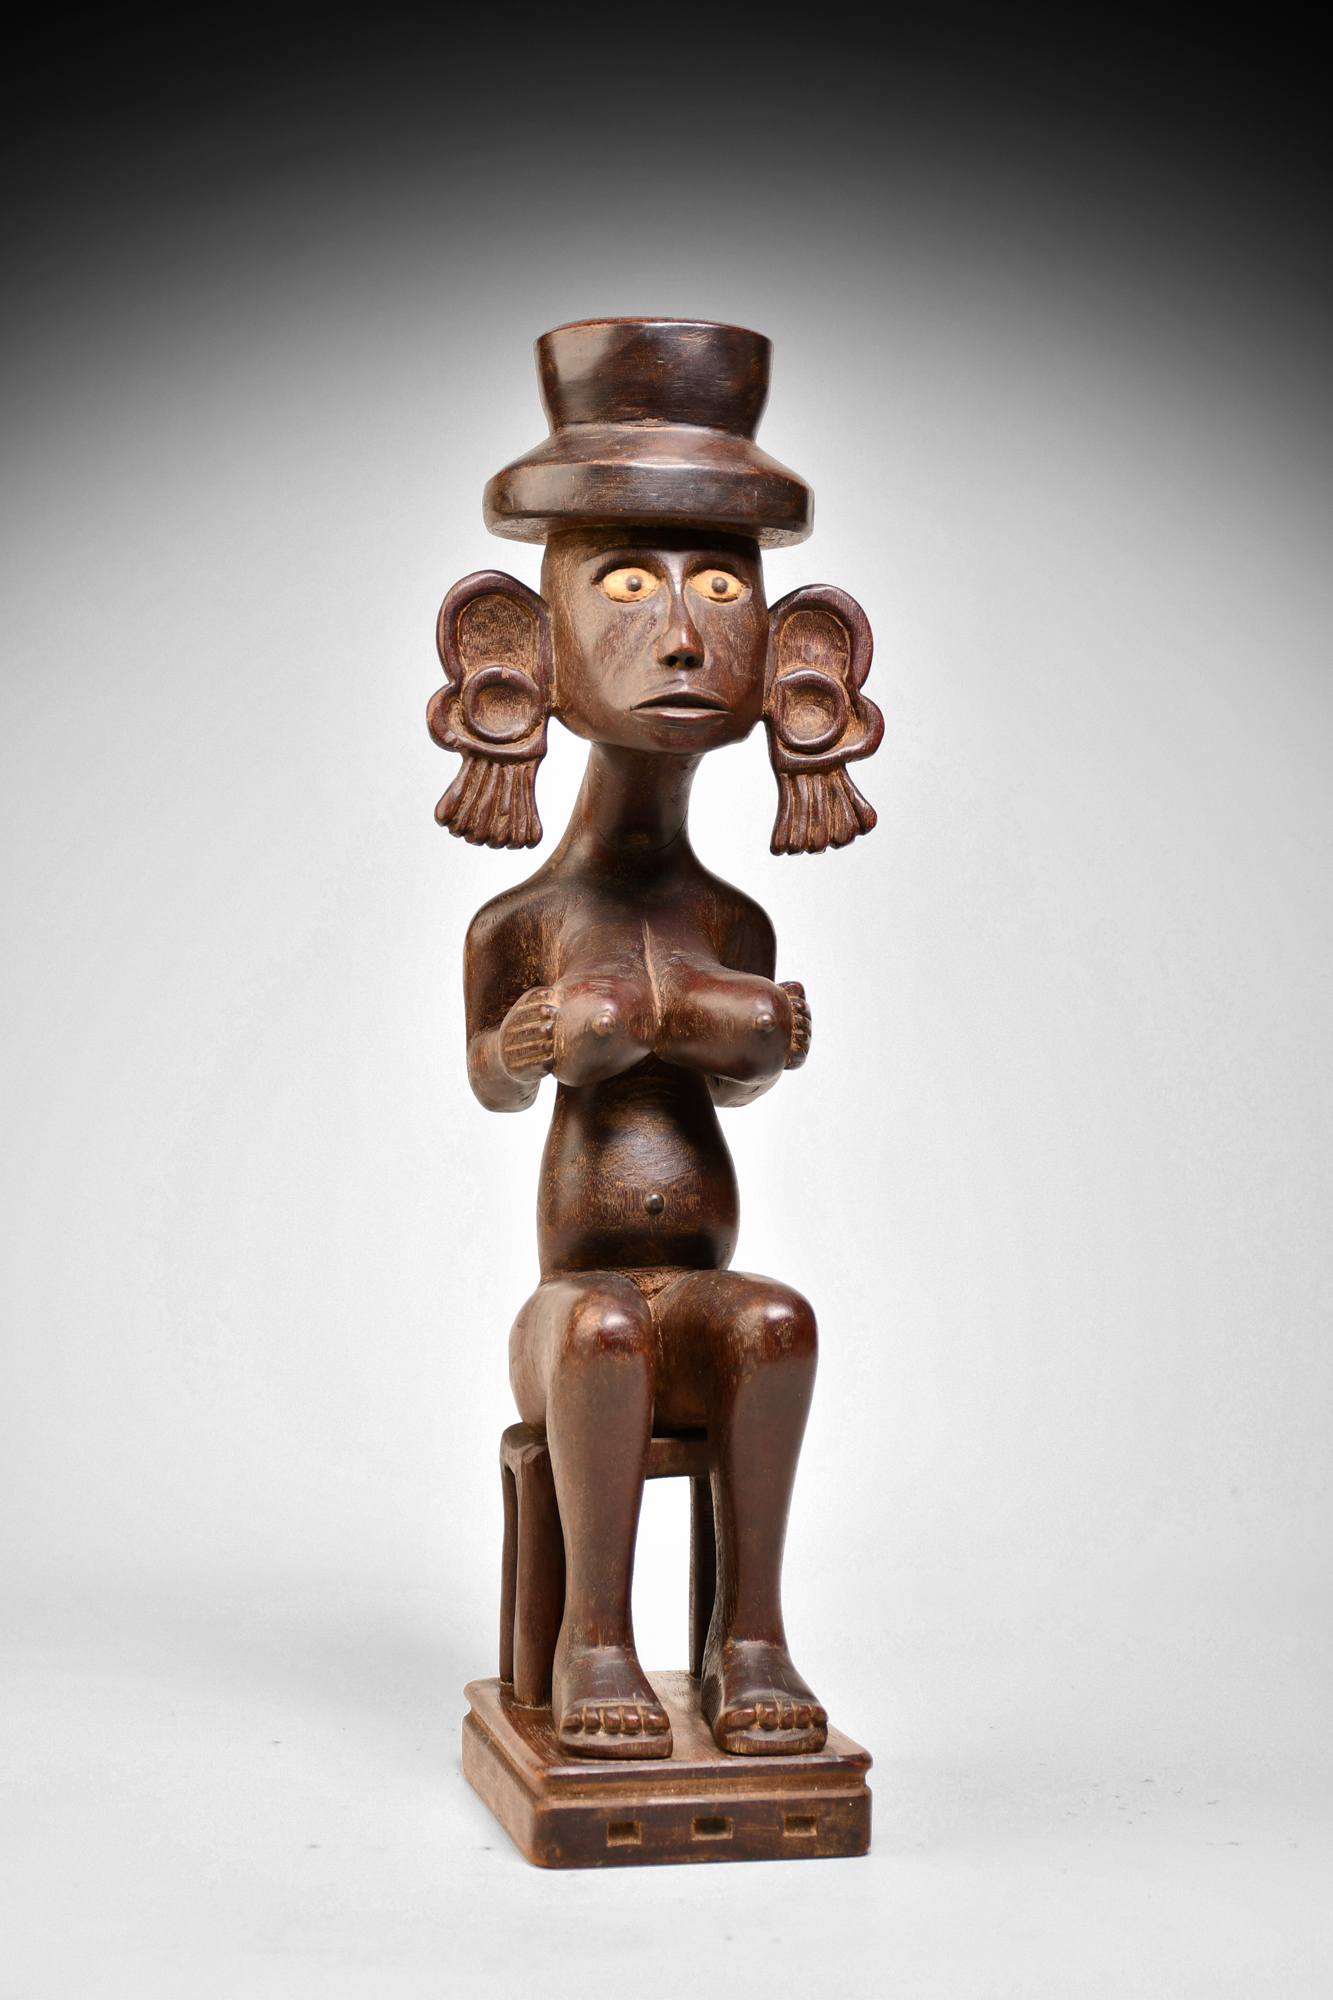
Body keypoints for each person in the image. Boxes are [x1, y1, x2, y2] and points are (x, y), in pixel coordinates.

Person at [430, 321, 882, 1760]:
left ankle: (752, 1639)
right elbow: (492, 1080)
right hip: (574, 1312)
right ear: (518, 649)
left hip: (697, 1295)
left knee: (773, 1319)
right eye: (626, 584)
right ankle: (595, 1642)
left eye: (721, 588)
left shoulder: (731, 916)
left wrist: (744, 1029)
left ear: (794, 659)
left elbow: (743, 1075)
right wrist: (533, 1039)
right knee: (605, 1327)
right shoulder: (524, 918)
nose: (684, 634)